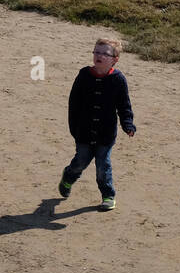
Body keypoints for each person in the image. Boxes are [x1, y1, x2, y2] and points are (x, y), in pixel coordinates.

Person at [57, 37, 136, 211]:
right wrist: (74, 129)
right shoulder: (84, 75)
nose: (98, 56)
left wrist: (128, 125)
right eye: (96, 52)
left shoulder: (118, 79)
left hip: (106, 134)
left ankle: (108, 195)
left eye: (104, 53)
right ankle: (68, 177)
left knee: (103, 165)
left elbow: (124, 106)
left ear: (115, 59)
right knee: (80, 162)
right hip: (83, 132)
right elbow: (74, 104)